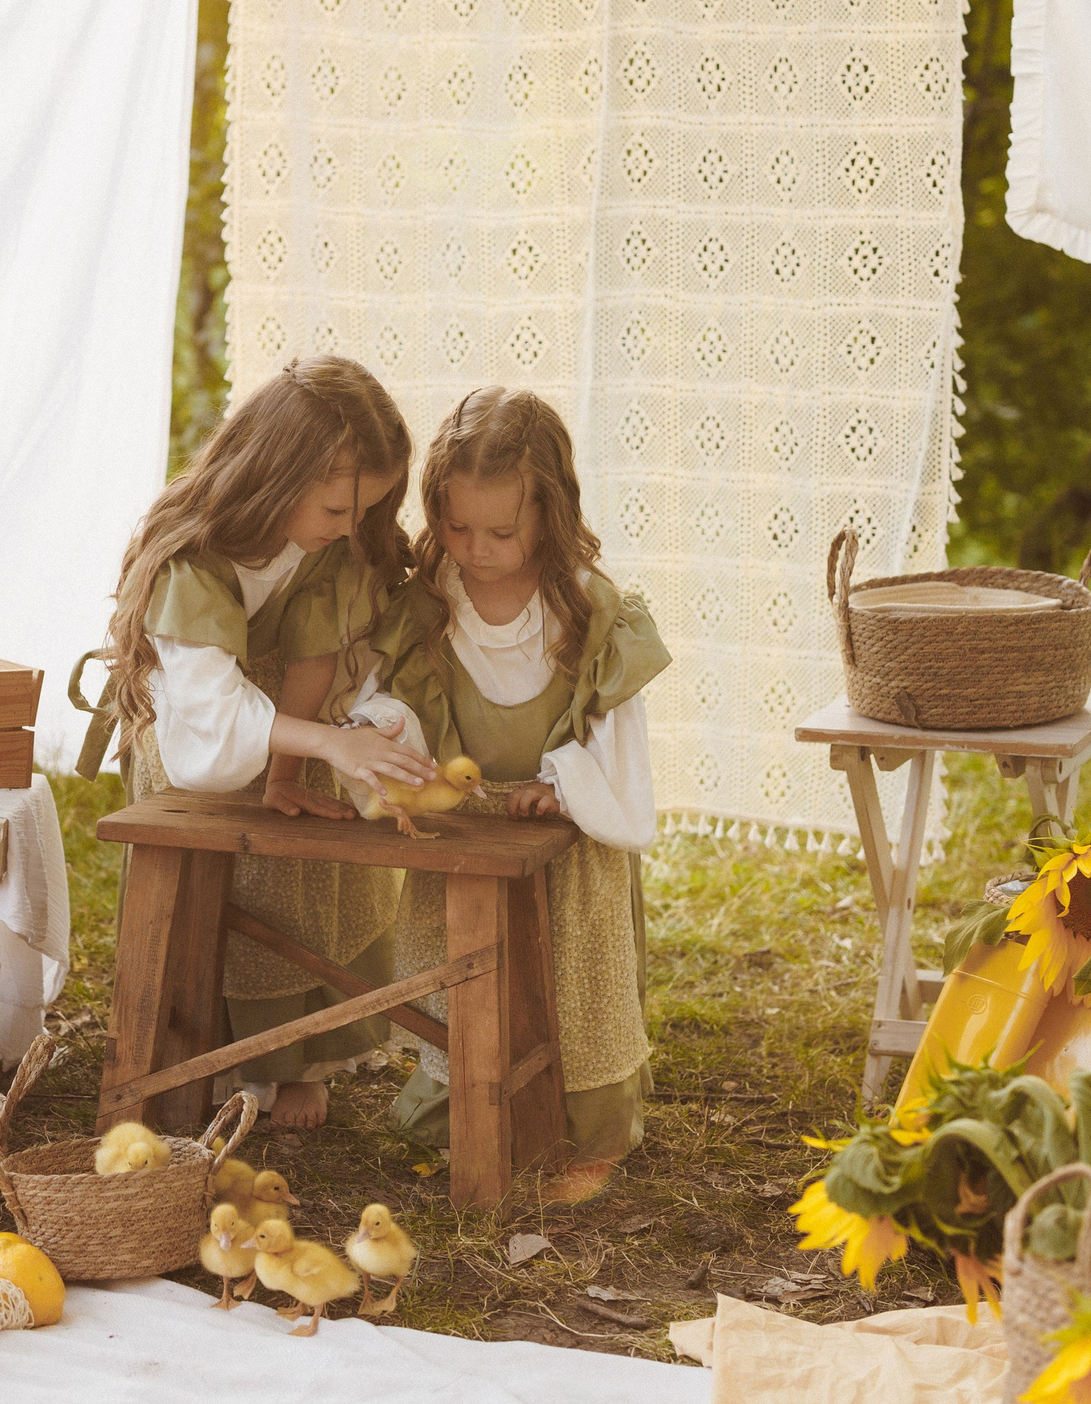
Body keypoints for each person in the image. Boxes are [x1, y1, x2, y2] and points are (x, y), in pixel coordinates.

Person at [101, 356, 435, 1128]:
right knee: (227, 894)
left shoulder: (319, 546)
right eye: (335, 510)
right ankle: (216, 1059)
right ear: (280, 475)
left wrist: (291, 765)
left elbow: (315, 654)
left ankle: (304, 1056)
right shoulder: (192, 561)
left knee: (300, 885)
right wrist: (322, 743)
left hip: (288, 720)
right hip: (199, 739)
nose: (346, 529)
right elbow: (209, 722)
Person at [357, 387, 668, 1203]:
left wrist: (562, 784)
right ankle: (468, 1108)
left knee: (574, 983)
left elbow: (615, 734)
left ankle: (590, 1129)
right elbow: (397, 699)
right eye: (457, 526)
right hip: (470, 825)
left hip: (562, 833)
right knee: (469, 985)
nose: (477, 548)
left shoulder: (584, 610)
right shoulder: (433, 603)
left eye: (501, 531)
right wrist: (396, 740)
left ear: (549, 513)